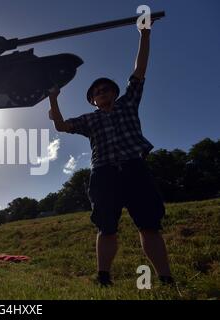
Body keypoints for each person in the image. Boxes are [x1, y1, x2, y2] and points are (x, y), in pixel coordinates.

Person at [48, 24, 173, 286]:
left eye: (106, 89)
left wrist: (145, 35)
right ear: (92, 100)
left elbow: (139, 71)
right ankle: (103, 277)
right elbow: (60, 125)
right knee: (106, 227)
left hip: (134, 169)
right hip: (103, 174)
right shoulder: (88, 120)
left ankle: (165, 278)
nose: (101, 93)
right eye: (97, 92)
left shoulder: (128, 103)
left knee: (149, 225)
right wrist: (53, 99)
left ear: (115, 93)